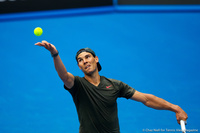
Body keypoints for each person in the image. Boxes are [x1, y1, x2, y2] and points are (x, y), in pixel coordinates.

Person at [35, 40, 188, 133]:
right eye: (80, 60)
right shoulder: (77, 85)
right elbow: (63, 75)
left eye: (87, 57)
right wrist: (55, 54)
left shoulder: (115, 85)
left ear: (96, 59)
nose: (85, 61)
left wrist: (174, 107)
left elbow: (146, 99)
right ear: (79, 67)